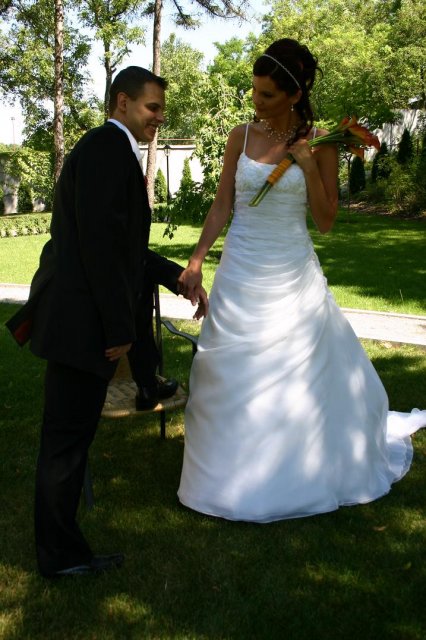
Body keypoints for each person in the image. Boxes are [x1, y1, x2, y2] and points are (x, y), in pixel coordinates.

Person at [177, 39, 426, 523]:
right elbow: (223, 205)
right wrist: (196, 259)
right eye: (254, 91)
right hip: (241, 268)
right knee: (230, 371)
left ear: (295, 94)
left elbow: (327, 220)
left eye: (267, 94)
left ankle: (294, 471)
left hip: (291, 270)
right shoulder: (239, 137)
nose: (257, 101)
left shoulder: (324, 142)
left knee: (292, 373)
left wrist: (309, 163)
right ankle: (228, 476)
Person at [6, 65, 206, 577]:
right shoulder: (105, 149)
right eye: (152, 107)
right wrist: (119, 330)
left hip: (82, 319)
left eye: (161, 110)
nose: (159, 118)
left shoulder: (114, 149)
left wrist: (176, 276)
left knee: (68, 442)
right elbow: (100, 250)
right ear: (122, 102)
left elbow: (123, 247)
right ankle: (60, 557)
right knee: (65, 445)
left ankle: (61, 550)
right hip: (82, 324)